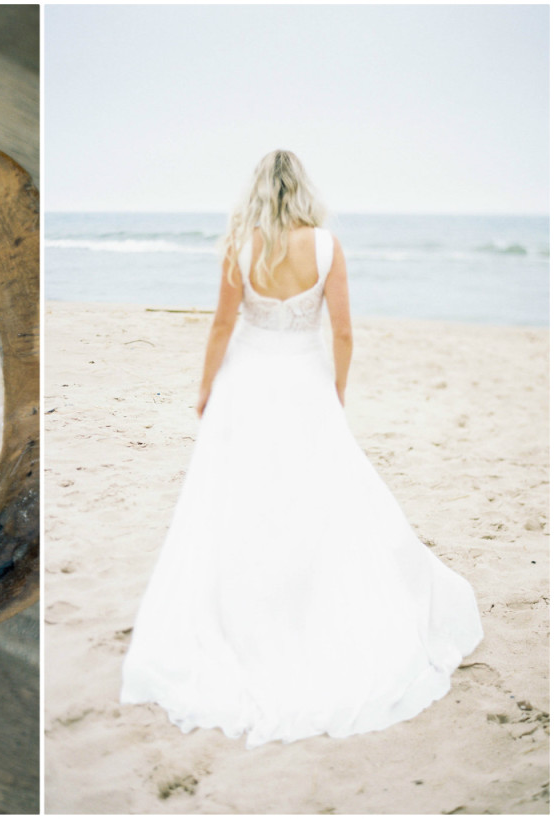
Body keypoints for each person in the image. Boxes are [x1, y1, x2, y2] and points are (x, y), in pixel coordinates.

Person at [120, 150, 483, 748]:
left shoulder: (243, 245)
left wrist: (206, 387)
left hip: (249, 382)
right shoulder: (326, 246)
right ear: (304, 190)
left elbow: (220, 325)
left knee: (243, 496)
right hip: (304, 381)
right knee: (318, 493)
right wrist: (336, 389)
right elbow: (341, 330)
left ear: (258, 190)